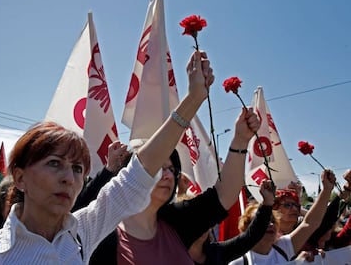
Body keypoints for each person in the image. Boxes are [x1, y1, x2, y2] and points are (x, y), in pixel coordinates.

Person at [0, 50, 215, 264]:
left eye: (78, 169)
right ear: (20, 177)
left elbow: (140, 171)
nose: (69, 178)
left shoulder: (81, 235)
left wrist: (193, 100)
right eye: (54, 164)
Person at [89, 105, 261, 265]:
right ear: (133, 175)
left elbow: (224, 194)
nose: (169, 175)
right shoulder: (103, 236)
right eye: (159, 168)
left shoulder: (177, 221)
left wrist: (240, 140)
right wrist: (194, 97)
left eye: (172, 169)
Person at [229, 169, 336, 265]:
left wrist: (326, 190)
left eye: (272, 221)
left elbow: (310, 223)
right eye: (262, 221)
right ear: (247, 228)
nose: (270, 224)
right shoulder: (239, 262)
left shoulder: (282, 247)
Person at [188, 179, 275, 265]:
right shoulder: (175, 255)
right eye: (195, 220)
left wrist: (267, 204)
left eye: (205, 219)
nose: (202, 224)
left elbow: (251, 237)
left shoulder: (217, 253)